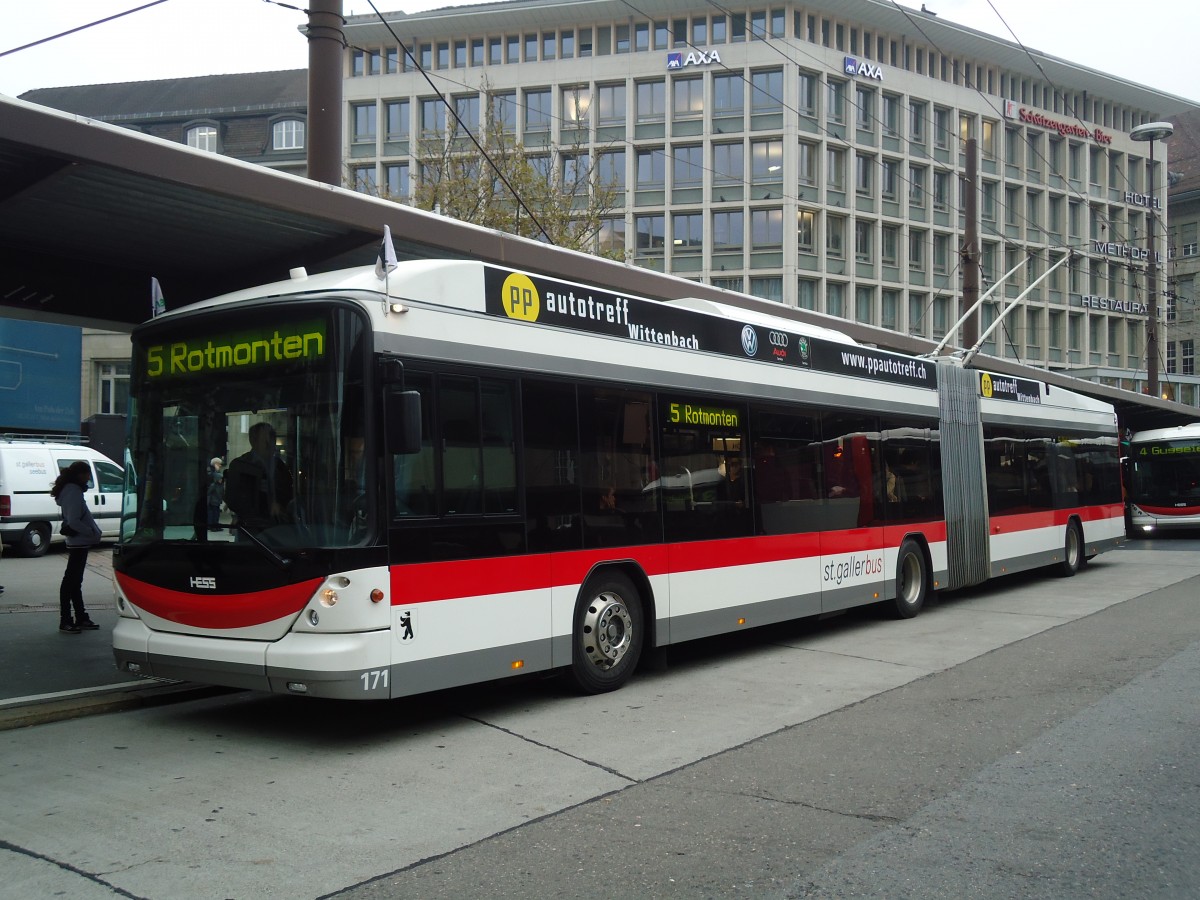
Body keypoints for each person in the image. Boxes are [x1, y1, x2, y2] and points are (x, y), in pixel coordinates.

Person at [51, 461, 103, 634]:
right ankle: (66, 620)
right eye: (87, 474)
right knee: (70, 582)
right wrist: (90, 531)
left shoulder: (71, 490)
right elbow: (74, 520)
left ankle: (80, 617)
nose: (89, 477)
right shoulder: (73, 491)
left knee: (74, 582)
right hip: (79, 541)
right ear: (80, 474)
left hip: (80, 541)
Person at [224, 422, 293, 530]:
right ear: (254, 441)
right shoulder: (240, 465)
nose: (270, 443)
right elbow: (232, 499)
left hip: (277, 527)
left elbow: (289, 491)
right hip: (250, 528)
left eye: (272, 438)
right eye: (266, 439)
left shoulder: (280, 465)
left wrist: (280, 506)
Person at [206, 457, 225, 531]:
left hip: (215, 499)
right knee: (213, 513)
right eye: (219, 464)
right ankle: (213, 525)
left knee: (215, 513)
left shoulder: (214, 474)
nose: (220, 465)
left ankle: (214, 525)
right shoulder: (213, 474)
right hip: (213, 500)